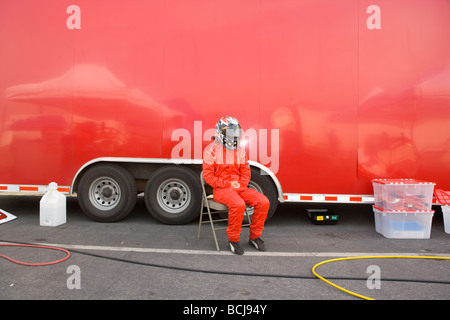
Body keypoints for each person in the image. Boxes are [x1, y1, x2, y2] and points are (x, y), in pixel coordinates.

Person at [202, 116, 270, 255]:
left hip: (240, 187)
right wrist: (228, 184)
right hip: (221, 189)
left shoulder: (240, 151)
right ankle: (233, 241)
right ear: (222, 133)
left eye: (236, 133)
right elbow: (208, 177)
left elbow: (246, 172)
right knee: (238, 205)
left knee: (264, 202)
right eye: (231, 133)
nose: (234, 137)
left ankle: (255, 237)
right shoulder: (211, 152)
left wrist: (241, 184)